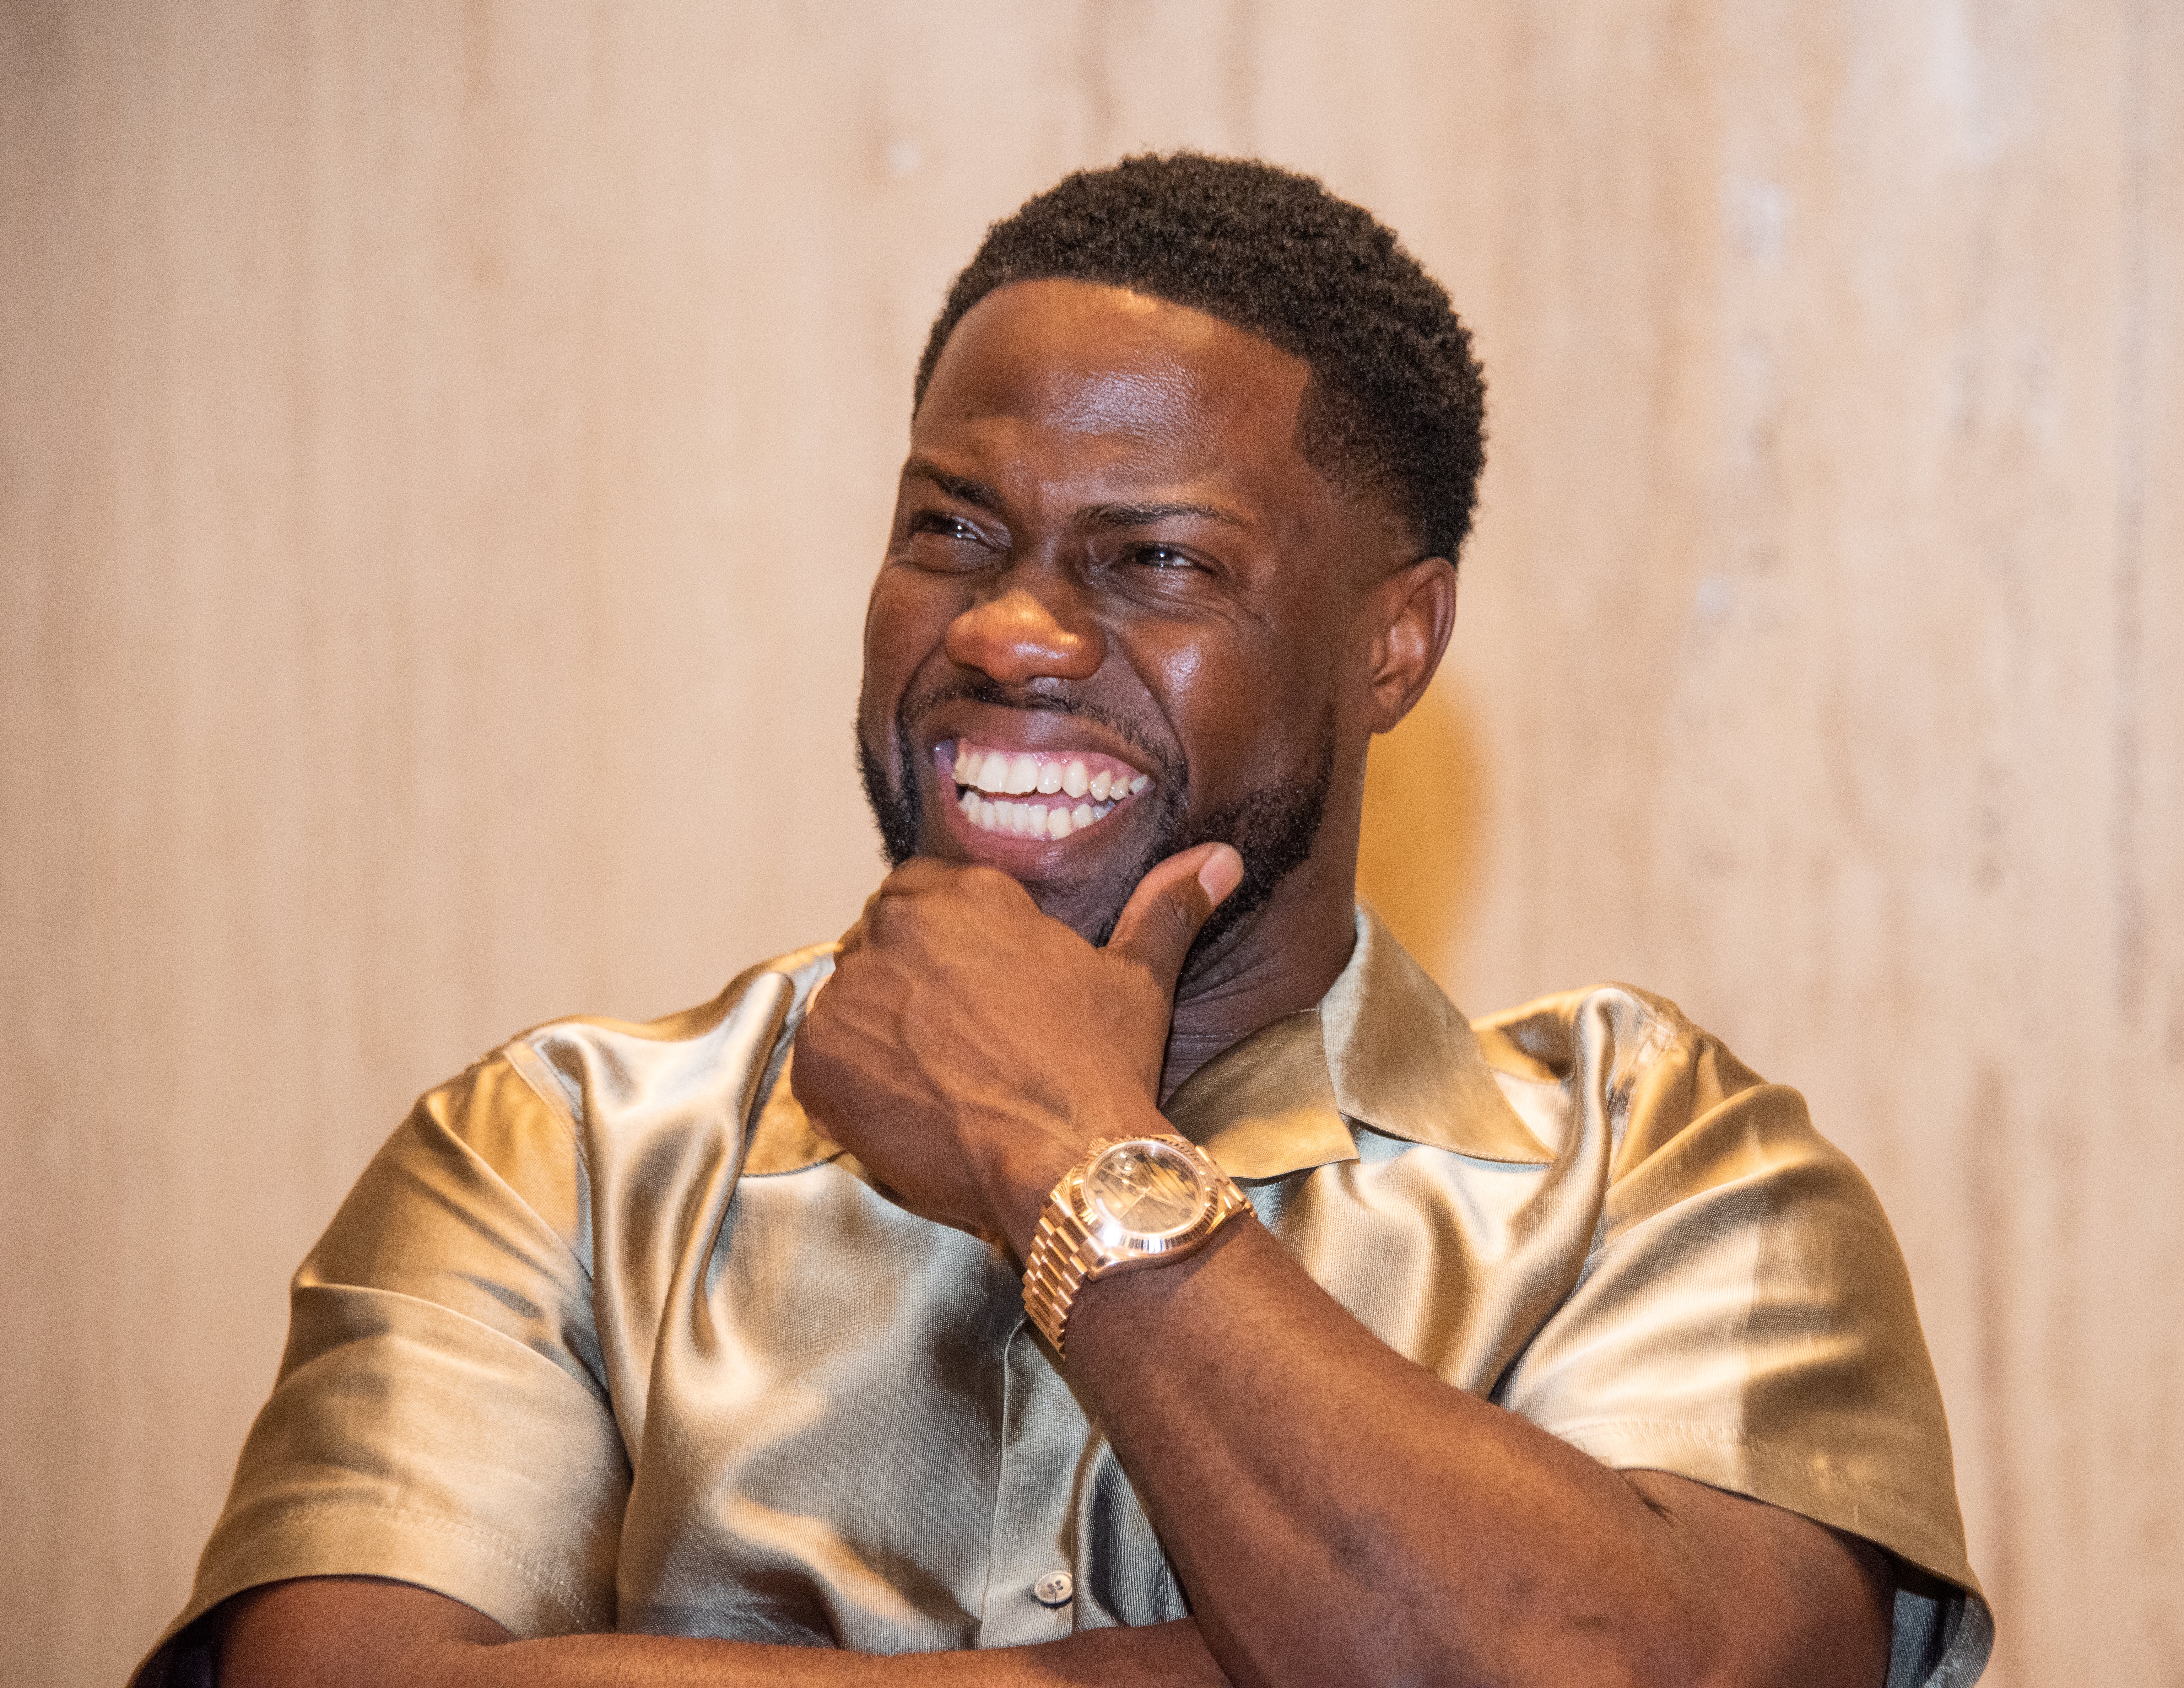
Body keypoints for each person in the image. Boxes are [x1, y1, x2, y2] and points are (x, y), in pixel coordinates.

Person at [136, 153, 1990, 1688]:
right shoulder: (557, 1147)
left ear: (1392, 640)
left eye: (1153, 560)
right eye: (951, 531)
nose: (1009, 631)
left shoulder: (1657, 1176)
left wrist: (1063, 1156)